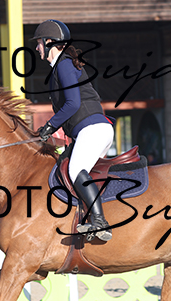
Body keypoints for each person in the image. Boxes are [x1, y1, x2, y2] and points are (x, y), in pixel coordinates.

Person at [32, 19, 114, 241]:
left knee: (76, 169)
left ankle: (100, 223)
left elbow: (73, 104)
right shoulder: (60, 67)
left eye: (38, 43)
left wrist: (50, 126)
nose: (37, 48)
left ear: (49, 42)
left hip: (93, 130)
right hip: (90, 130)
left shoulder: (64, 65)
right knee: (69, 167)